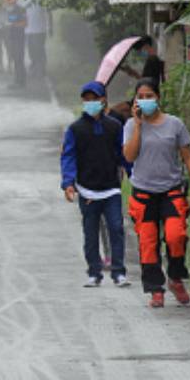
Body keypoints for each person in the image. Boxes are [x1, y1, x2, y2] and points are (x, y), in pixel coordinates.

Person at [122, 78, 190, 308]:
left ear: (158, 98)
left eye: (150, 96)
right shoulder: (130, 126)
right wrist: (138, 125)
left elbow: (187, 156)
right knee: (148, 243)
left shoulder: (174, 124)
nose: (146, 101)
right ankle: (155, 289)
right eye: (141, 97)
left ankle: (175, 278)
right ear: (135, 101)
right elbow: (129, 156)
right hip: (143, 195)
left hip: (171, 191)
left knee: (176, 235)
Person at [60, 81, 130, 287]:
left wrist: (132, 172)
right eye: (87, 99)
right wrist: (68, 182)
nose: (90, 103)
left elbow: (122, 153)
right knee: (90, 233)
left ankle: (118, 272)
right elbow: (69, 156)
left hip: (111, 187)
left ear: (103, 100)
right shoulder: (76, 129)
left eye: (95, 99)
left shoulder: (114, 127)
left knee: (116, 227)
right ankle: (94, 272)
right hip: (87, 189)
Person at [3, 0, 27, 89]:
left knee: (19, 59)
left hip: (19, 37)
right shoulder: (9, 10)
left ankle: (20, 81)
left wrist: (13, 25)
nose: (8, 0)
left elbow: (24, 23)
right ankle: (17, 80)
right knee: (15, 59)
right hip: (12, 37)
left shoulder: (19, 9)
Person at [25, 0, 50, 80]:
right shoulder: (25, 0)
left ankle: (41, 70)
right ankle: (35, 68)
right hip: (28, 30)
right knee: (31, 51)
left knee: (39, 50)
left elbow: (49, 12)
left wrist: (50, 27)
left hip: (40, 30)